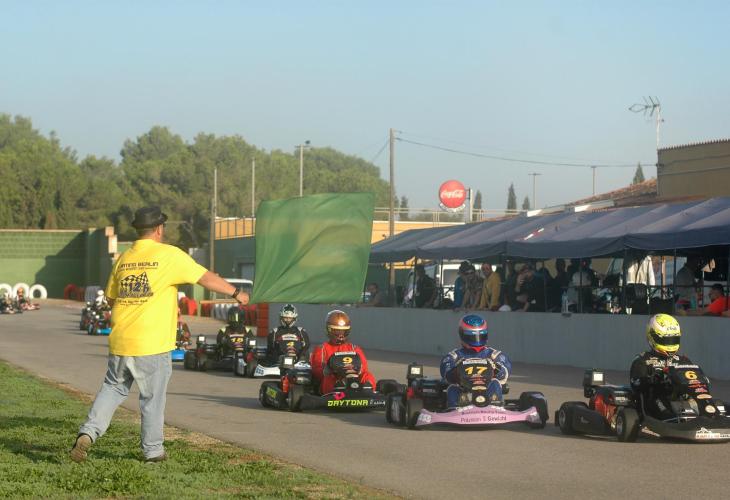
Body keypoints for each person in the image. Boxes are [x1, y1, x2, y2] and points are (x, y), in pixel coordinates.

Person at [70, 206, 249, 464]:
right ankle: (153, 451)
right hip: (151, 343)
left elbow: (111, 299)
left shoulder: (124, 258)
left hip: (121, 340)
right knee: (152, 399)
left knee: (112, 389)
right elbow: (205, 278)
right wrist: (236, 293)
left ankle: (88, 432)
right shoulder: (169, 255)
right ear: (159, 229)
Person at [630, 314, 697, 419]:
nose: (670, 344)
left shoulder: (683, 360)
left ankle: (707, 414)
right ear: (653, 337)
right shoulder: (643, 360)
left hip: (681, 399)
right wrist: (653, 379)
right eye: (666, 340)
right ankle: (672, 420)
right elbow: (636, 384)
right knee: (659, 399)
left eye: (673, 340)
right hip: (656, 400)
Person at [440, 314, 512, 409]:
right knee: (453, 387)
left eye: (480, 336)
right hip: (464, 393)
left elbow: (504, 373)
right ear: (462, 335)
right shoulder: (453, 356)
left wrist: (496, 368)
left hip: (487, 391)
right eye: (471, 337)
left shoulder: (495, 355)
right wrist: (457, 371)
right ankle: (454, 409)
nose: (477, 340)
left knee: (495, 382)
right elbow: (447, 375)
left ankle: (495, 406)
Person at [310, 310, 376, 394]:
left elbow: (364, 367)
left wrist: (355, 369)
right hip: (333, 385)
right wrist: (329, 369)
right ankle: (338, 391)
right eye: (337, 331)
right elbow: (316, 371)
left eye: (343, 331)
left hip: (353, 380)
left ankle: (367, 391)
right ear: (329, 330)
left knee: (367, 375)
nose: (341, 334)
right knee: (330, 377)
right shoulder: (321, 348)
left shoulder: (354, 348)